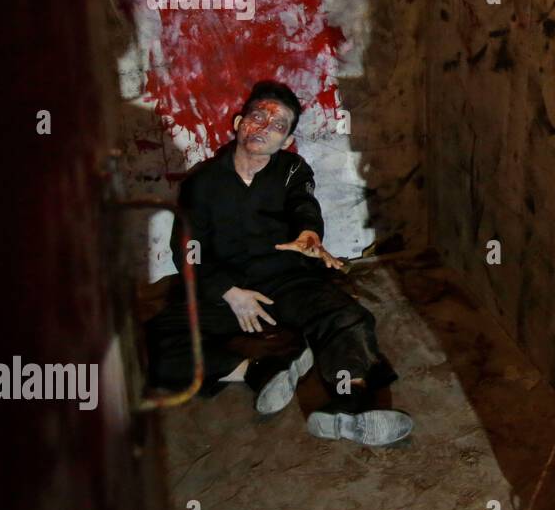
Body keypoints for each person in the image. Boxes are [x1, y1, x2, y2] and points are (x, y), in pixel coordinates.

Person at [146, 80, 413, 446]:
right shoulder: (202, 183)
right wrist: (229, 292)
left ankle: (351, 403)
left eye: (277, 126)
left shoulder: (291, 170)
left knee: (347, 317)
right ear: (239, 122)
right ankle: (260, 369)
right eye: (258, 118)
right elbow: (187, 250)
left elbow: (304, 204)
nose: (263, 129)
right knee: (156, 343)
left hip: (287, 281)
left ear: (286, 141)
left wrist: (308, 234)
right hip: (228, 292)